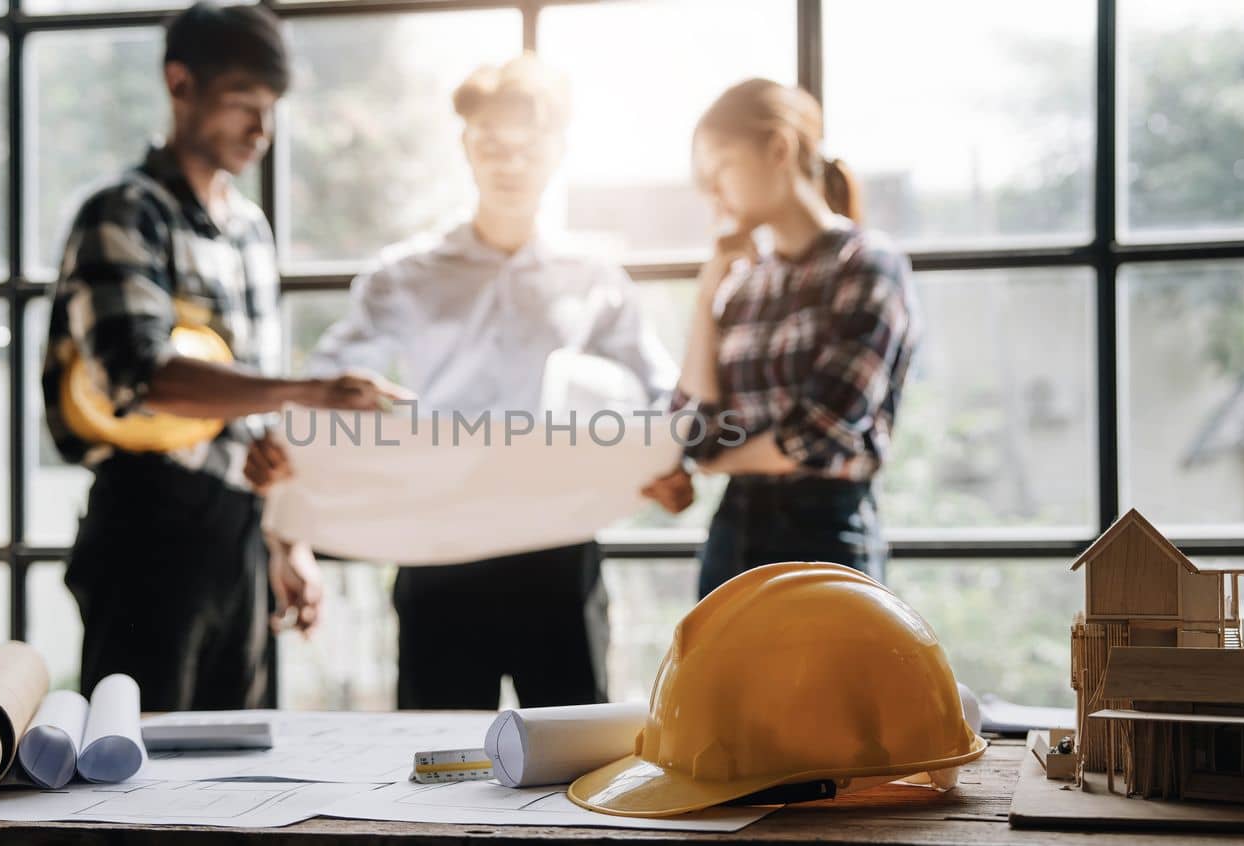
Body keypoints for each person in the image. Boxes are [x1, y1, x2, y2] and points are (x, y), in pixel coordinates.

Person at [251, 54, 676, 710]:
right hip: (435, 550)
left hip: (557, 550)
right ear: (466, 148)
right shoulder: (406, 274)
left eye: (527, 147)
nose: (509, 163)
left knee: (576, 761)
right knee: (438, 762)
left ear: (559, 150)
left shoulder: (593, 278)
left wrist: (669, 468)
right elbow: (318, 391)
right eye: (490, 145)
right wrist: (288, 473)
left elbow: (660, 397)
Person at [41, 2, 402, 711]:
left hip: (236, 539)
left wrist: (282, 541)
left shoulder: (250, 231)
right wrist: (308, 390)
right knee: (129, 777)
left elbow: (250, 423)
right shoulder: (122, 212)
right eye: (243, 105)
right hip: (145, 531)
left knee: (236, 775)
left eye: (270, 109)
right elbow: (140, 378)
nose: (261, 131)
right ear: (181, 85)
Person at [640, 78, 920, 598]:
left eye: (719, 166)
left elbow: (820, 433)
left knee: (834, 682)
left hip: (828, 531)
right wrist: (707, 296)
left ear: (778, 148)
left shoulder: (865, 265)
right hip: (733, 531)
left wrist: (712, 462)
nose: (711, 192)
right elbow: (695, 425)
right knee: (718, 683)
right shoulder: (745, 283)